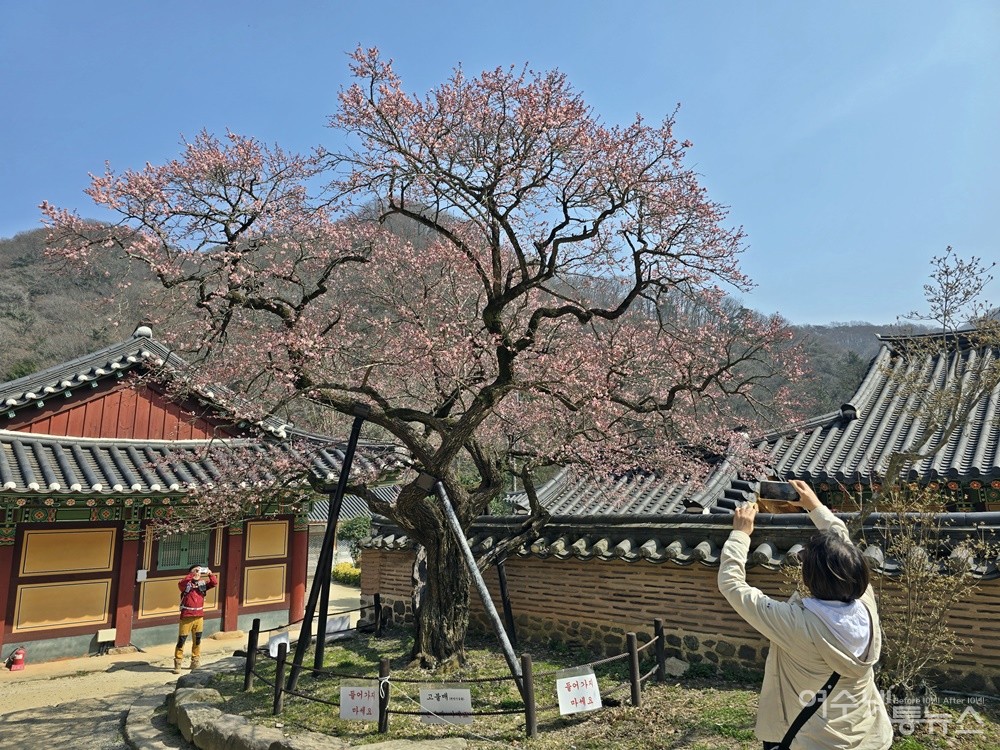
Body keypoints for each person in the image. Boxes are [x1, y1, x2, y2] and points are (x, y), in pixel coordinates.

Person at [718, 479, 892, 750]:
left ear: (810, 578)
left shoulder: (797, 624)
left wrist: (740, 534)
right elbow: (842, 541)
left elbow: (731, 584)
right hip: (864, 733)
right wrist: (814, 506)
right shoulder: (865, 601)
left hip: (812, 740)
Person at [174, 564, 218, 674]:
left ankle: (195, 661)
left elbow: (214, 583)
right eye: (195, 571)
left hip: (199, 616)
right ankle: (178, 663)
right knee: (181, 640)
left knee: (197, 640)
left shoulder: (202, 584)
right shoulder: (185, 584)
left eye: (199, 570)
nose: (198, 573)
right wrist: (192, 575)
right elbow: (182, 583)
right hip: (187, 616)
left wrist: (210, 574)